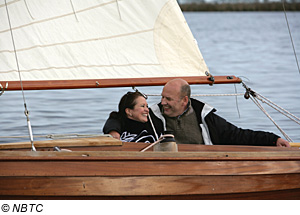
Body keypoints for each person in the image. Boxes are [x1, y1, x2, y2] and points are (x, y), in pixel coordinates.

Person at [104, 79, 290, 147]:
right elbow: (119, 117)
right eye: (162, 97)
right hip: (167, 170)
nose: (162, 102)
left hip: (202, 168)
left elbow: (238, 135)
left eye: (168, 99)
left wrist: (272, 139)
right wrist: (113, 132)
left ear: (184, 100)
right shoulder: (152, 115)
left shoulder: (205, 116)